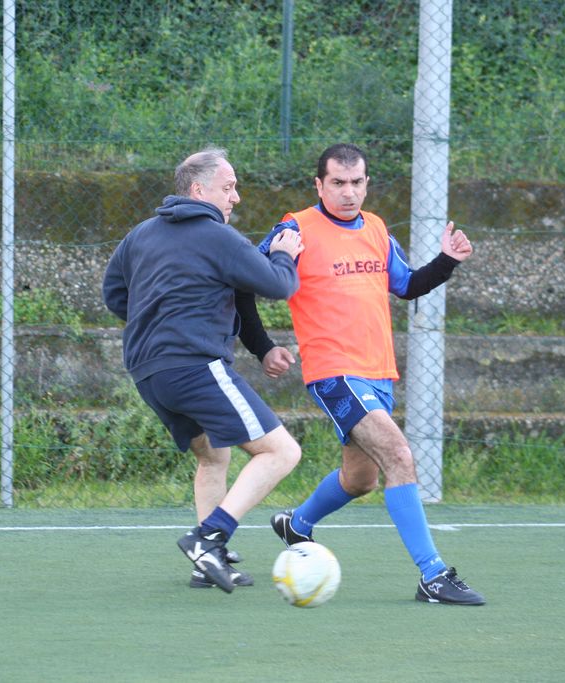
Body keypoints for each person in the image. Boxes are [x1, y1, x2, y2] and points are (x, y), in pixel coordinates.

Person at [237, 143, 486, 605]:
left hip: (378, 372)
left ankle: (297, 524)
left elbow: (407, 285)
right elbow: (242, 282)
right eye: (338, 183)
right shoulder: (295, 229)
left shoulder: (375, 228)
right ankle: (433, 575)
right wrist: (263, 347)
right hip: (334, 372)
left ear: (367, 184)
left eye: (356, 183)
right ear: (319, 185)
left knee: (360, 479)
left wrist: (447, 260)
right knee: (399, 454)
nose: (348, 192)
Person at [102, 147, 305, 593]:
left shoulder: (140, 235)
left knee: (214, 455)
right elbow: (278, 284)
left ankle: (206, 565)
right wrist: (285, 253)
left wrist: (157, 322)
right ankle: (208, 538)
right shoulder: (219, 237)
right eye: (228, 188)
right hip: (193, 365)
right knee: (281, 452)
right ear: (198, 190)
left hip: (148, 372)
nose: (236, 197)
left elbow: (114, 293)